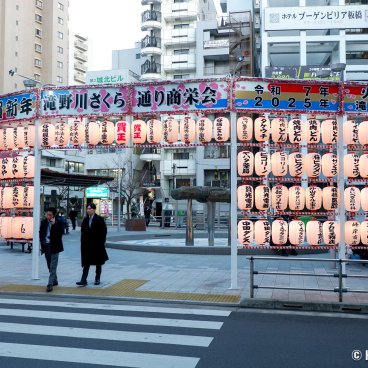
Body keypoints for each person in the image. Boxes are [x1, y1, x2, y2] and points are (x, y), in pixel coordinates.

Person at [76, 203, 108, 286]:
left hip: (97, 244)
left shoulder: (99, 219)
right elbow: (83, 232)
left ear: (94, 209)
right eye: (87, 209)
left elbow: (104, 231)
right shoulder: (86, 219)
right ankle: (83, 279)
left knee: (98, 262)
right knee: (86, 262)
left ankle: (97, 278)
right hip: (87, 245)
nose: (88, 210)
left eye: (90, 209)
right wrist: (82, 242)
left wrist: (102, 242)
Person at [39, 207, 64, 292]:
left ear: (54, 215)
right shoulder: (44, 222)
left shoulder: (58, 222)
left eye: (50, 215)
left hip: (55, 246)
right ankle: (55, 280)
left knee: (53, 265)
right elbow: (41, 233)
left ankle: (50, 284)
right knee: (49, 264)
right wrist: (42, 241)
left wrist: (55, 225)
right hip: (46, 246)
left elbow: (61, 232)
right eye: (47, 214)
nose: (48, 216)